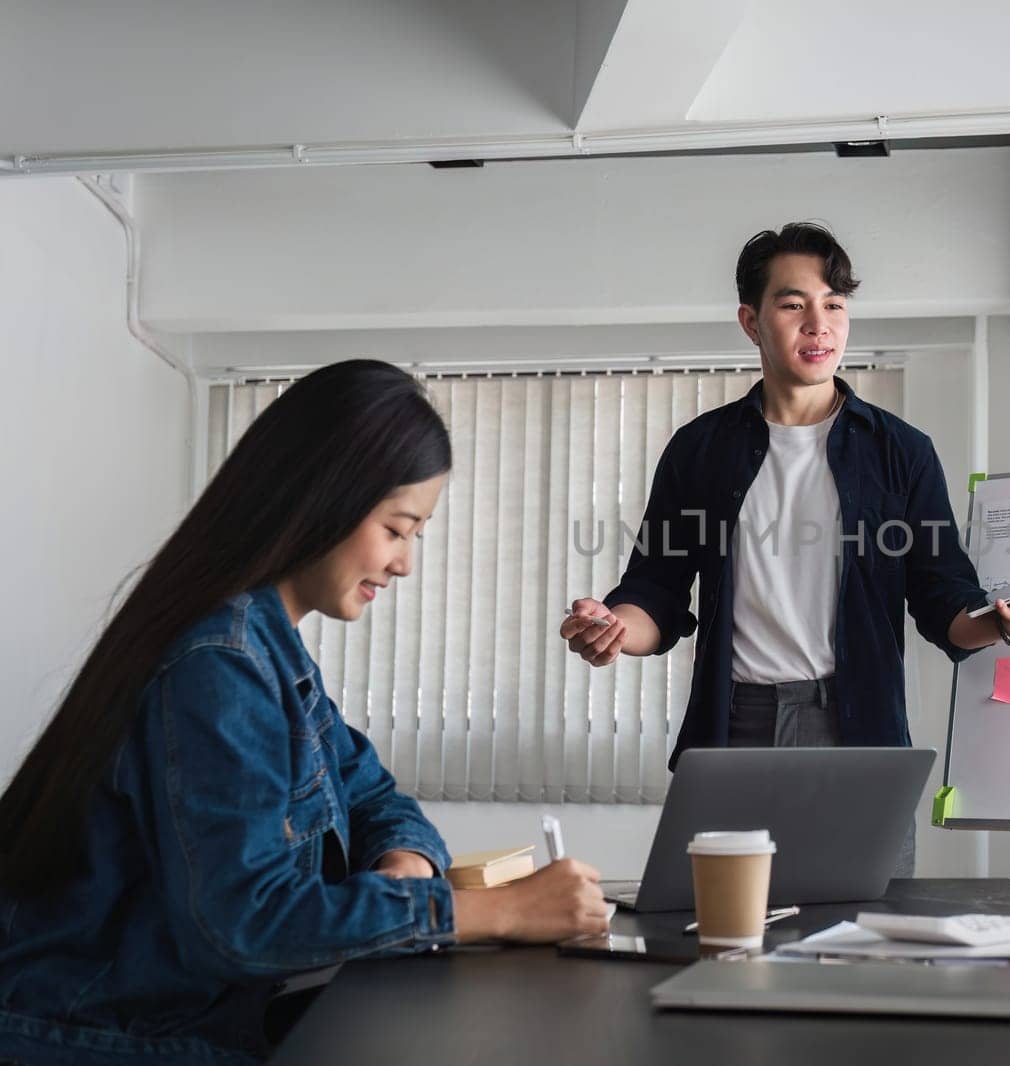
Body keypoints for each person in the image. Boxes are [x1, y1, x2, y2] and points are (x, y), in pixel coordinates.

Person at [0, 361, 610, 1065]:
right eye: (397, 529)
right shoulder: (218, 662)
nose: (405, 563)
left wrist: (405, 860)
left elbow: (372, 792)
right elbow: (244, 925)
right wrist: (495, 911)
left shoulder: (269, 649)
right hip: (110, 1040)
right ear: (326, 497)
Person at [561, 222, 1010, 875]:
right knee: (723, 943)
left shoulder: (900, 451)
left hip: (857, 729)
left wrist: (1003, 622)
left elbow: (942, 598)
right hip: (735, 729)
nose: (820, 324)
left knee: (864, 952)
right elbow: (656, 593)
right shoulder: (700, 450)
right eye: (794, 304)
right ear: (751, 323)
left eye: (834, 305)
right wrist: (614, 629)